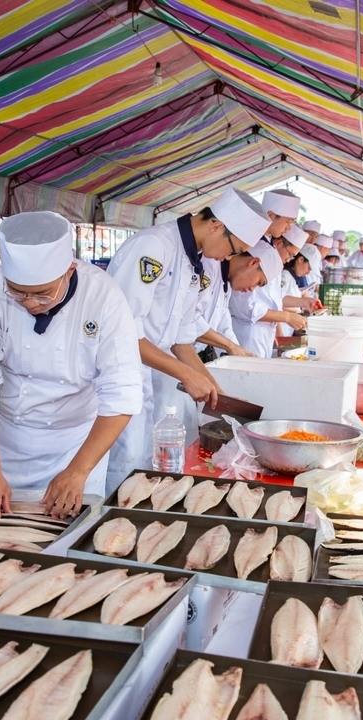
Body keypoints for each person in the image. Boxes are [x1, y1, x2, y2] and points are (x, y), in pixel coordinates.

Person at [0, 212, 141, 519]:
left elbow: (122, 392)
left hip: (75, 445)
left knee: (66, 547)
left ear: (69, 270)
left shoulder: (104, 297)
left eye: (42, 294)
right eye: (17, 292)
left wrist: (79, 471)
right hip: (3, 446)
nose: (29, 303)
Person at [105, 188, 270, 492]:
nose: (229, 258)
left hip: (148, 377)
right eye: (233, 249)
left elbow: (182, 339)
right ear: (217, 226)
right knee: (122, 465)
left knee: (142, 463)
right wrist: (186, 374)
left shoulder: (192, 260)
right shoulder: (154, 247)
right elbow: (123, 333)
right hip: (118, 377)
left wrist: (219, 394)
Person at [230, 225, 311, 357]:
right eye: (290, 254)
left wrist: (304, 302)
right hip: (249, 332)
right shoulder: (251, 265)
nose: (289, 260)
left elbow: (277, 298)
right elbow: (248, 308)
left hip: (265, 332)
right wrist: (287, 317)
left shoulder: (274, 266)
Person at [194, 252, 262, 360]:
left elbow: (224, 327)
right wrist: (230, 346)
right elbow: (190, 321)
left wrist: (241, 355)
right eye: (259, 282)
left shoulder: (226, 282)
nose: (252, 289)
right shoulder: (208, 265)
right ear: (253, 262)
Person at [278, 244, 323, 336]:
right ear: (300, 260)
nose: (308, 272)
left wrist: (314, 307)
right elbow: (276, 303)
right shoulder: (285, 276)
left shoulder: (298, 277)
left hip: (289, 328)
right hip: (281, 328)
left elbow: (304, 294)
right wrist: (298, 311)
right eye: (309, 268)